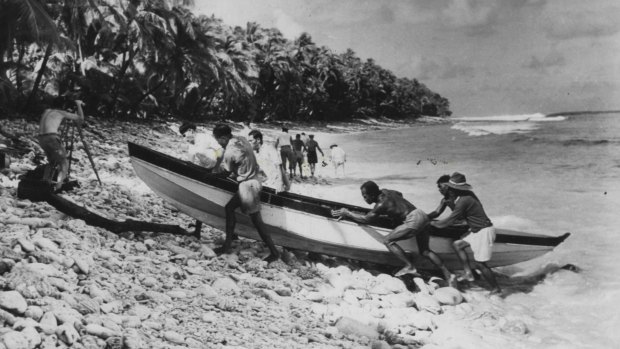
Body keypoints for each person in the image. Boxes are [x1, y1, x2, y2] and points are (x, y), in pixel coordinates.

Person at [331, 181, 455, 284]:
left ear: (373, 194)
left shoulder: (380, 205)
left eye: (365, 196)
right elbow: (399, 194)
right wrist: (395, 212)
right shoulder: (385, 191)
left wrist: (347, 213)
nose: (364, 198)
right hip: (421, 214)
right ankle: (448, 274)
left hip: (413, 220)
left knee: (387, 240)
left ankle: (409, 266)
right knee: (425, 251)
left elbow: (367, 219)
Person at [212, 124, 280, 262]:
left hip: (248, 186)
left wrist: (210, 176)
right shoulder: (242, 139)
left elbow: (226, 172)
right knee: (229, 208)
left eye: (218, 140)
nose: (217, 143)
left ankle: (274, 252)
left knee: (257, 221)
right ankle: (228, 243)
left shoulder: (230, 150)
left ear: (224, 138)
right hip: (254, 180)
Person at [430, 172, 501, 294]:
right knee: (457, 245)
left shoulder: (464, 200)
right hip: (476, 230)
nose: (449, 189)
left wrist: (432, 224)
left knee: (480, 264)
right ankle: (468, 272)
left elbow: (450, 220)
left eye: (450, 187)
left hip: (484, 231)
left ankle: (496, 289)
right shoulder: (463, 196)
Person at [38, 98, 85, 191]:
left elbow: (55, 121)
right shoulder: (60, 113)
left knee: (51, 162)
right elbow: (81, 118)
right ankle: (59, 186)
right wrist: (79, 104)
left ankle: (45, 182)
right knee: (64, 162)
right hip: (51, 137)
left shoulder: (46, 111)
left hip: (41, 138)